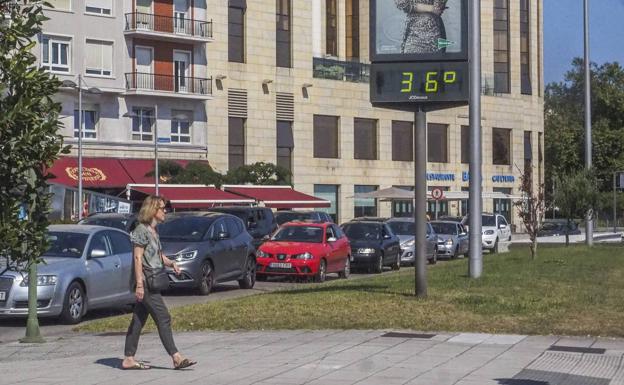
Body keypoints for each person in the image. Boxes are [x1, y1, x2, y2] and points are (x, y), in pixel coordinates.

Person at [122, 195, 196, 370]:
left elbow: (157, 255)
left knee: (139, 319)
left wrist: (171, 263)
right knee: (163, 317)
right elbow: (138, 257)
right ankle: (176, 357)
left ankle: (128, 358)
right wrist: (139, 285)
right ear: (153, 210)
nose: (165, 211)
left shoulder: (153, 231)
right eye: (162, 208)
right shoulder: (141, 230)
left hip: (151, 280)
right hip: (147, 282)